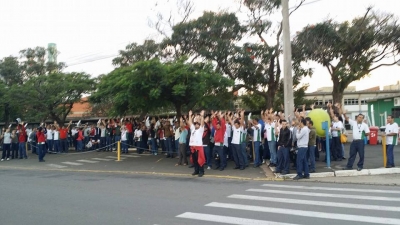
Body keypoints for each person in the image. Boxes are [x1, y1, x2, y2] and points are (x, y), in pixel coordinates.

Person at [188, 110, 206, 177]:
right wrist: (189, 115)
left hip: (198, 147)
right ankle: (196, 170)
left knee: (200, 160)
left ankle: (201, 171)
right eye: (195, 124)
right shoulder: (193, 129)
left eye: (197, 124)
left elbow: (202, 123)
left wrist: (202, 116)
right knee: (195, 160)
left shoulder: (200, 129)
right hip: (193, 147)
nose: (196, 125)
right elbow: (190, 122)